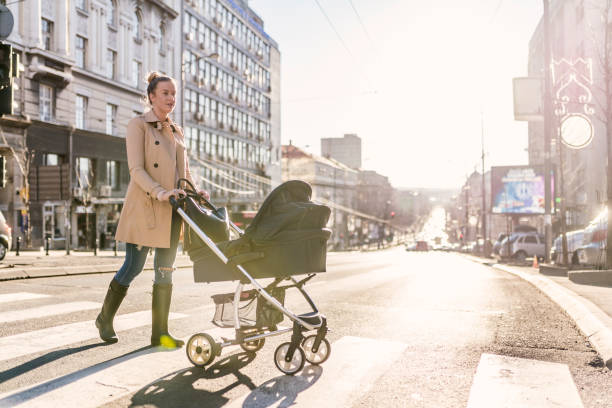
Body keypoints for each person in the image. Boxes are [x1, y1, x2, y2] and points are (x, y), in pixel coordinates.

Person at [95, 71, 208, 348]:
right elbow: (136, 169)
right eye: (165, 93)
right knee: (133, 266)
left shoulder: (177, 130)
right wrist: (160, 192)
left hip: (172, 210)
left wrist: (196, 192)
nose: (171, 99)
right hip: (146, 206)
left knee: (165, 271)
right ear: (151, 97)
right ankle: (104, 318)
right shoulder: (139, 125)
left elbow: (185, 172)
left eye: (174, 94)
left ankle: (160, 332)